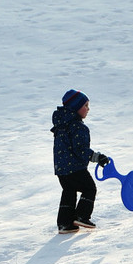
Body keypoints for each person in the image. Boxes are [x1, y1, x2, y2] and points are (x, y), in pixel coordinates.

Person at [51, 89, 110, 233]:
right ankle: (82, 216)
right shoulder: (78, 126)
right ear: (76, 108)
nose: (88, 109)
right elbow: (81, 150)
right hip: (75, 168)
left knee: (69, 191)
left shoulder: (61, 125)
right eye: (86, 106)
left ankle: (65, 224)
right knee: (89, 188)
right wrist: (97, 157)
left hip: (61, 169)